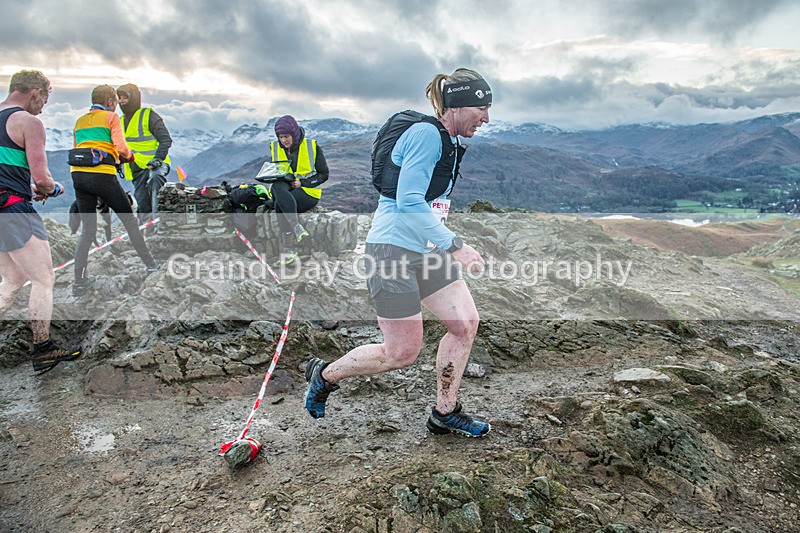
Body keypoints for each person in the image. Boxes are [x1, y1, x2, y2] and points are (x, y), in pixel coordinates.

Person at [304, 68, 492, 437]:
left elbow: (426, 203)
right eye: (481, 108)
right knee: (401, 353)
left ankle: (445, 412)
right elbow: (407, 202)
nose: (486, 118)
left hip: (423, 251)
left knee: (465, 324)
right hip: (391, 252)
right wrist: (455, 245)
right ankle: (325, 375)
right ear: (457, 105)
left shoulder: (448, 142)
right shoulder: (426, 135)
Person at [0, 69, 81, 373]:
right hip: (13, 211)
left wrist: (26, 187)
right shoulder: (28, 123)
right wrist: (51, 188)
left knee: (12, 280)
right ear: (35, 92)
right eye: (46, 97)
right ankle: (44, 347)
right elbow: (43, 178)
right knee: (44, 277)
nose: (45, 105)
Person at [70, 85, 157, 296]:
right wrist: (130, 157)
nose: (116, 106)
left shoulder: (80, 120)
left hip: (78, 175)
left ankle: (78, 283)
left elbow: (77, 147)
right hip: (102, 175)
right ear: (110, 102)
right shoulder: (111, 117)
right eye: (115, 102)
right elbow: (120, 147)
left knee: (88, 229)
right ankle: (151, 265)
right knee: (130, 222)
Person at [267, 115, 328, 263]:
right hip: (286, 191)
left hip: (308, 193)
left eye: (286, 136)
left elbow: (324, 174)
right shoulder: (276, 147)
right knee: (277, 187)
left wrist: (303, 183)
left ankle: (289, 250)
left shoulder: (312, 147)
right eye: (280, 137)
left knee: (278, 205)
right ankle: (296, 227)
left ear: (293, 134)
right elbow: (277, 171)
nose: (283, 140)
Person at [116, 83, 172, 230]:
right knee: (142, 204)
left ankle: (160, 227)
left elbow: (165, 139)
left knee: (155, 180)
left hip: (156, 165)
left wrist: (158, 159)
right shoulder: (120, 121)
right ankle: (149, 235)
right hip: (136, 169)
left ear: (134, 98)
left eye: (125, 97)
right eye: (119, 98)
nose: (121, 101)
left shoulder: (148, 115)